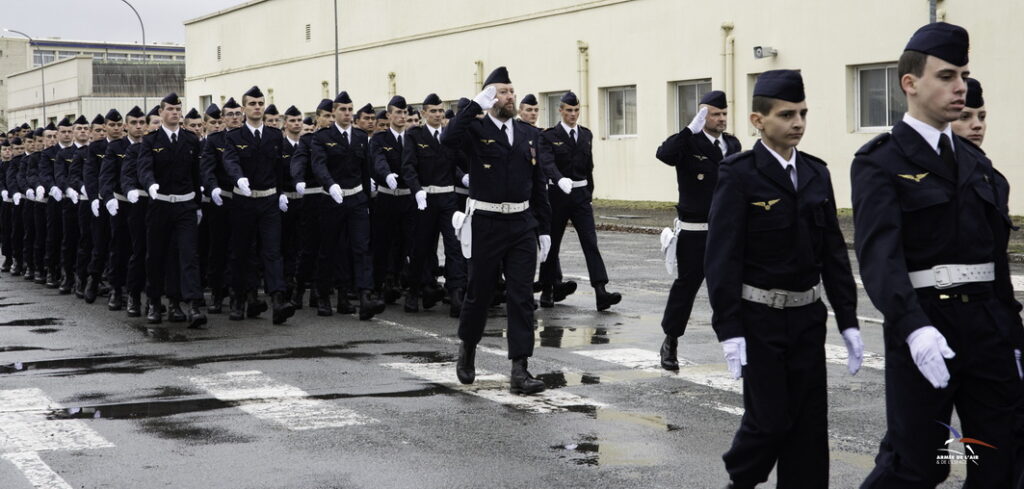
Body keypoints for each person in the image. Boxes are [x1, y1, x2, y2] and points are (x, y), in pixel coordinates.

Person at [853, 23, 1024, 488]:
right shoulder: (880, 162)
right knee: (916, 467)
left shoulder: (976, 164)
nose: (959, 87)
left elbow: (995, 262)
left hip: (987, 329)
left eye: (963, 76)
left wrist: (1014, 335)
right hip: (926, 330)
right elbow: (879, 258)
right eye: (947, 76)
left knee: (1003, 461)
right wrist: (912, 327)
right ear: (910, 83)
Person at [705, 69, 861, 489]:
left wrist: (847, 317)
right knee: (770, 423)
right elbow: (722, 257)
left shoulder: (816, 172)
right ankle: (740, 481)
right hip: (761, 320)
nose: (798, 123)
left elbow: (832, 251)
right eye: (787, 114)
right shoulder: (738, 174)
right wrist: (729, 328)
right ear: (758, 121)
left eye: (803, 114)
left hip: (808, 317)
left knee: (809, 433)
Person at [443, 66, 552, 395]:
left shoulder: (529, 134)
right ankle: (468, 348)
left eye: (512, 91)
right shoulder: (475, 130)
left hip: (521, 224)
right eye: (503, 92)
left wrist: (544, 229)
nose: (510, 96)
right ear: (491, 96)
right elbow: (448, 142)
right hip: (486, 223)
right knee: (480, 292)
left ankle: (520, 368)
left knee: (521, 298)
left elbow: (538, 186)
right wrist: (473, 106)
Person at [655, 90, 742, 370]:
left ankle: (736, 344)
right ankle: (670, 341)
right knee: (686, 289)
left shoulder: (732, 144)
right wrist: (688, 130)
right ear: (703, 115)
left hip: (725, 231)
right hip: (694, 231)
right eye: (714, 114)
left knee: (729, 290)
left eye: (723, 114)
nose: (721, 119)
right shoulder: (688, 143)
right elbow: (664, 154)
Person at [538, 91, 621, 311]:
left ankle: (601, 291)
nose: (573, 114)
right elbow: (547, 163)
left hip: (580, 196)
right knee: (552, 243)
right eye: (569, 110)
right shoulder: (548, 136)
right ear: (560, 110)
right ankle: (547, 289)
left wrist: (589, 193)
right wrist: (558, 179)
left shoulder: (586, 134)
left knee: (590, 243)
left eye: (576, 110)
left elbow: (589, 166)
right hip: (557, 195)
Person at [221, 86, 295, 325]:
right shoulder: (233, 136)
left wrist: (282, 193)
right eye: (252, 104)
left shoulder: (275, 136)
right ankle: (239, 299)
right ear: (243, 109)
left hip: (268, 200)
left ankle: (278, 301)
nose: (257, 107)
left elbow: (280, 169)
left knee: (272, 251)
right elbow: (230, 161)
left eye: (260, 103)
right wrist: (238, 177)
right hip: (243, 201)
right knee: (242, 252)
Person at [309, 91, 385, 320]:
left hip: (356, 199)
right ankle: (323, 294)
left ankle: (364, 296)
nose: (347, 114)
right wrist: (330, 185)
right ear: (334, 112)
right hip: (332, 199)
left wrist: (367, 198)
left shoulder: (361, 137)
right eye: (343, 109)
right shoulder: (322, 137)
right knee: (330, 249)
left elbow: (365, 169)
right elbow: (319, 165)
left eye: (350, 109)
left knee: (361, 248)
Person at [137, 92, 207, 329]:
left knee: (188, 255)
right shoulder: (150, 140)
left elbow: (197, 175)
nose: (175, 113)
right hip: (161, 204)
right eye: (170, 109)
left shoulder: (190, 139)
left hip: (186, 205)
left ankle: (190, 305)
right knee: (156, 255)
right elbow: (144, 168)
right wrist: (150, 184)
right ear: (161, 112)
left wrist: (198, 204)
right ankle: (155, 302)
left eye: (178, 110)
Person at [402, 93, 467, 316]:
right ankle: (414, 290)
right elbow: (408, 166)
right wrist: (416, 190)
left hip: (448, 198)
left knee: (454, 246)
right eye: (433, 111)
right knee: (421, 247)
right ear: (423, 113)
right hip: (425, 199)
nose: (438, 115)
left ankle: (456, 292)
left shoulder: (449, 135)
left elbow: (454, 164)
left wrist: (463, 177)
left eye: (441, 111)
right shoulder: (414, 136)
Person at [371, 95, 415, 304]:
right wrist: (386, 174)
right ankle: (380, 284)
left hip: (408, 199)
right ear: (389, 115)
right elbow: (378, 160)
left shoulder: (413, 137)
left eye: (405, 112)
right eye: (398, 112)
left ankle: (398, 280)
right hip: (387, 198)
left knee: (406, 243)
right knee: (383, 243)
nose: (402, 116)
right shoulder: (380, 139)